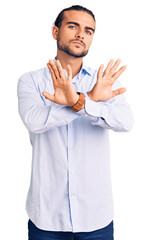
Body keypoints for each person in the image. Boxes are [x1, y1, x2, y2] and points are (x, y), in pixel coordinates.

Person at [17, 5, 134, 240]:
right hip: (47, 217)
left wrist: (78, 102)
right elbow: (34, 122)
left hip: (96, 218)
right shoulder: (30, 81)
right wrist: (88, 101)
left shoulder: (104, 82)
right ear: (55, 32)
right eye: (73, 26)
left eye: (89, 30)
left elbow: (125, 122)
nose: (81, 34)